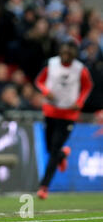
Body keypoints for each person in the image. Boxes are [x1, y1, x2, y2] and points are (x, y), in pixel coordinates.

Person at [35, 39, 93, 199]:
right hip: (50, 111)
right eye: (64, 51)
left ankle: (43, 187)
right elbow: (39, 81)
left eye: (70, 52)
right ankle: (62, 155)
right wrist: (46, 92)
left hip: (68, 114)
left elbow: (87, 86)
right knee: (49, 148)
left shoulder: (80, 69)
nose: (66, 55)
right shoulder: (51, 64)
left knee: (53, 150)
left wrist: (79, 102)